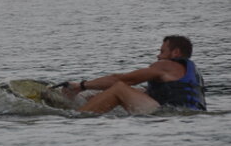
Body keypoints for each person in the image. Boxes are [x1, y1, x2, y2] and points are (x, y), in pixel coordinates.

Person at [65, 35, 206, 114]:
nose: (158, 56)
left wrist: (81, 85)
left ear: (176, 53)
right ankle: (79, 103)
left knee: (119, 88)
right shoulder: (193, 73)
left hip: (171, 114)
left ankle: (76, 116)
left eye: (162, 51)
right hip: (184, 115)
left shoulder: (166, 65)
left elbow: (120, 79)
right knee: (136, 90)